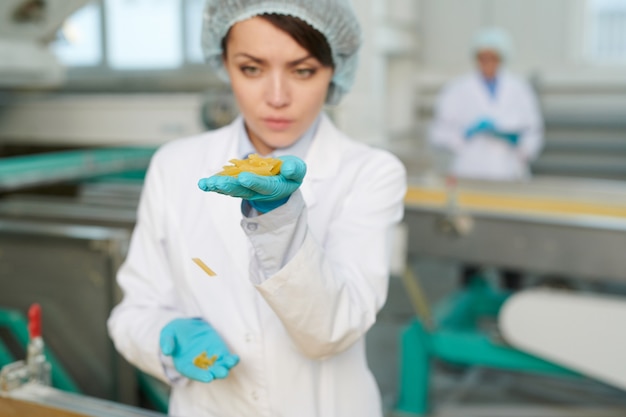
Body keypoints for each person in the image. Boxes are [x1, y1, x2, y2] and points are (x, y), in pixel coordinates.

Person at [107, 1, 407, 416]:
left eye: (303, 71)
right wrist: (164, 336)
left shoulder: (370, 172)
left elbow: (331, 331)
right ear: (223, 63)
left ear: (335, 68)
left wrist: (280, 218)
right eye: (251, 69)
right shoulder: (174, 165)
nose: (277, 97)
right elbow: (134, 311)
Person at [429, 28, 544, 289]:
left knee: (512, 239)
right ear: (476, 59)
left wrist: (519, 146)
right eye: (483, 57)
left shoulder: (519, 89)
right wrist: (465, 135)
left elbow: (534, 131)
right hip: (472, 173)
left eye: (493, 58)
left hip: (508, 173)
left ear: (502, 59)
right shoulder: (458, 90)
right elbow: (438, 132)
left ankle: (511, 291)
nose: (487, 63)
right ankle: (470, 293)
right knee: (472, 239)